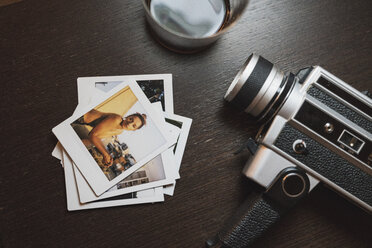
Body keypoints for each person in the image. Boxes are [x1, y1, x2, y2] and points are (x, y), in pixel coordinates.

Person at [73, 109, 147, 167]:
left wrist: (106, 156)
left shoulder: (119, 131)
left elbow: (93, 140)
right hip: (79, 114)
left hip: (79, 120)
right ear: (128, 116)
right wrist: (106, 154)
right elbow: (93, 135)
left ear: (134, 130)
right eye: (131, 119)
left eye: (133, 126)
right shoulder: (116, 119)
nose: (129, 123)